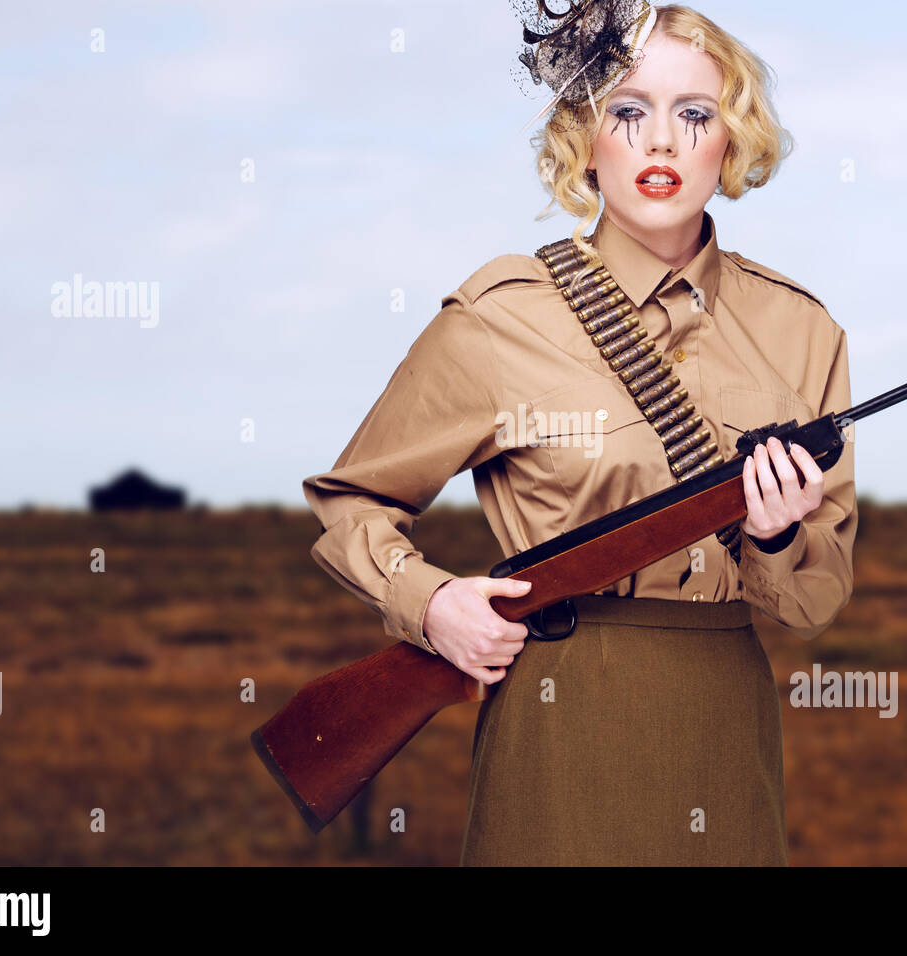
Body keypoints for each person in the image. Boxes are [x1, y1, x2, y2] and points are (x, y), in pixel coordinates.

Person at [301, 1, 857, 865]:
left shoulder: (803, 329)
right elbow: (352, 503)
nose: (661, 143)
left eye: (695, 114)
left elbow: (816, 604)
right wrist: (431, 603)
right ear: (584, 139)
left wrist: (777, 535)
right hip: (562, 709)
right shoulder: (503, 316)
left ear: (732, 140)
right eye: (628, 112)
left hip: (725, 719)